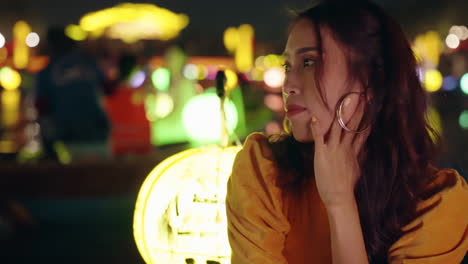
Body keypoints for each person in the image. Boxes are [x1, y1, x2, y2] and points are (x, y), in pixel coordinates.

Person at [225, 1, 468, 264]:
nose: (289, 84)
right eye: (287, 67)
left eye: (308, 62)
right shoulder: (263, 171)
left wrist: (340, 204)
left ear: (371, 81)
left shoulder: (438, 202)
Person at [35, 26, 110, 161]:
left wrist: (48, 147)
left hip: (68, 135)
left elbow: (42, 107)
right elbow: (108, 88)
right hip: (98, 131)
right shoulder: (89, 63)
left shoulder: (48, 71)